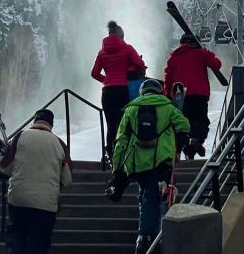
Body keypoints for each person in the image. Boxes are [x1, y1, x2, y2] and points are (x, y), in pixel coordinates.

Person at [108, 78, 190, 254]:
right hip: (161, 161)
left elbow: (121, 140)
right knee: (153, 197)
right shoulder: (168, 107)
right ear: (159, 91)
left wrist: (117, 168)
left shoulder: (130, 109)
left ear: (142, 92)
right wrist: (178, 148)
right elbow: (184, 125)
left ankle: (146, 236)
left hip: (137, 163)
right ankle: (148, 237)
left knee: (146, 195)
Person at [0, 109, 73, 254]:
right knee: (39, 245)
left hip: (19, 200)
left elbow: (5, 167)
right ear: (51, 124)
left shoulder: (20, 136)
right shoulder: (60, 144)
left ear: (34, 121)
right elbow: (67, 179)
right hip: (46, 204)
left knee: (17, 243)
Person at [92, 21, 146, 160]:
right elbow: (140, 64)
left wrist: (108, 80)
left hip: (107, 93)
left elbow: (94, 73)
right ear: (121, 36)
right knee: (124, 123)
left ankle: (110, 153)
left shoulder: (102, 52)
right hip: (123, 90)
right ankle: (124, 155)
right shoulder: (127, 48)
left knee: (110, 124)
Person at [162, 33, 223, 158]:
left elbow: (167, 78)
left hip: (180, 96)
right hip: (199, 94)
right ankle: (196, 142)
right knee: (201, 121)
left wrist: (168, 95)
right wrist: (206, 52)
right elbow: (217, 64)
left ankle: (187, 147)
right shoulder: (201, 53)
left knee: (184, 123)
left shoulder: (173, 58)